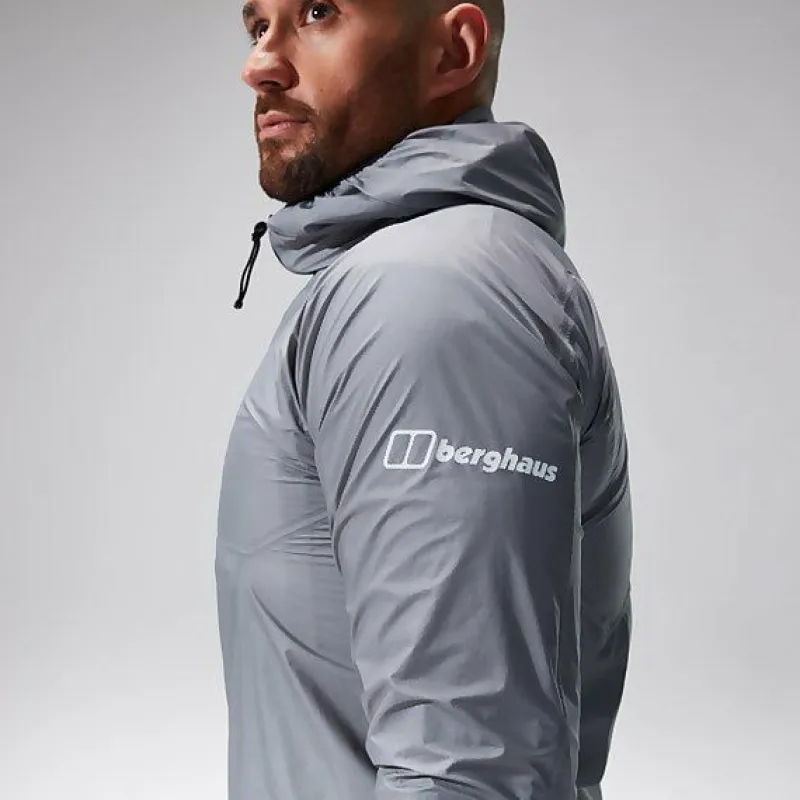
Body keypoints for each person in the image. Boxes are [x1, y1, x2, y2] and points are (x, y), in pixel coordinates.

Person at [215, 1, 634, 798]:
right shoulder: (433, 274)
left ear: (455, 50)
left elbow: (471, 769)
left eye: (318, 12)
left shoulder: (430, 291)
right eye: (257, 27)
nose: (259, 64)